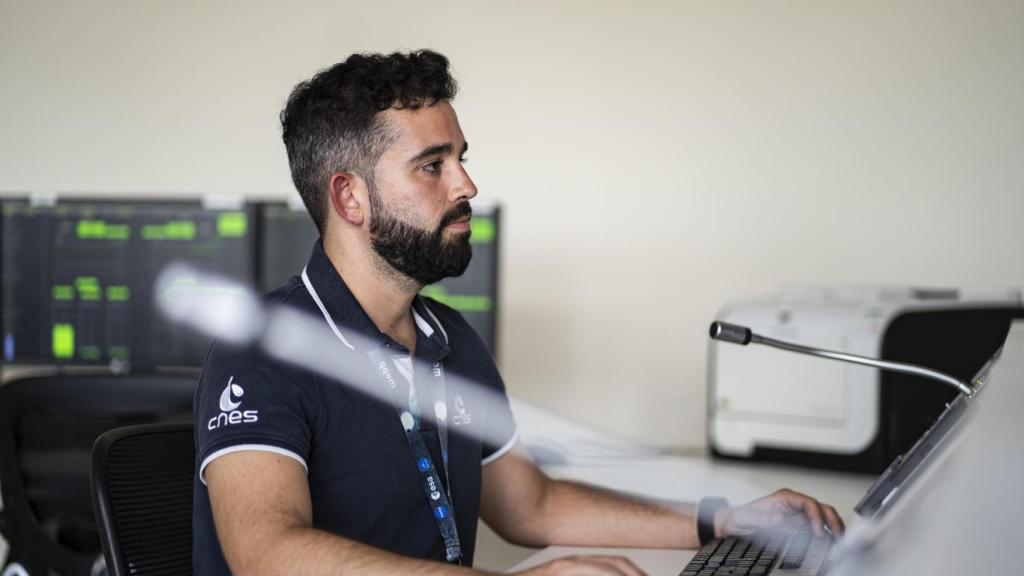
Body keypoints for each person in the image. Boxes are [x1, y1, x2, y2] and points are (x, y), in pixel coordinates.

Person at [193, 50, 845, 576]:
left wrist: (722, 521)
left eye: (461, 158)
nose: (467, 185)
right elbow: (268, 554)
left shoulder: (448, 337)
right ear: (351, 197)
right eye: (432, 165)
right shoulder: (262, 351)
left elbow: (529, 505)